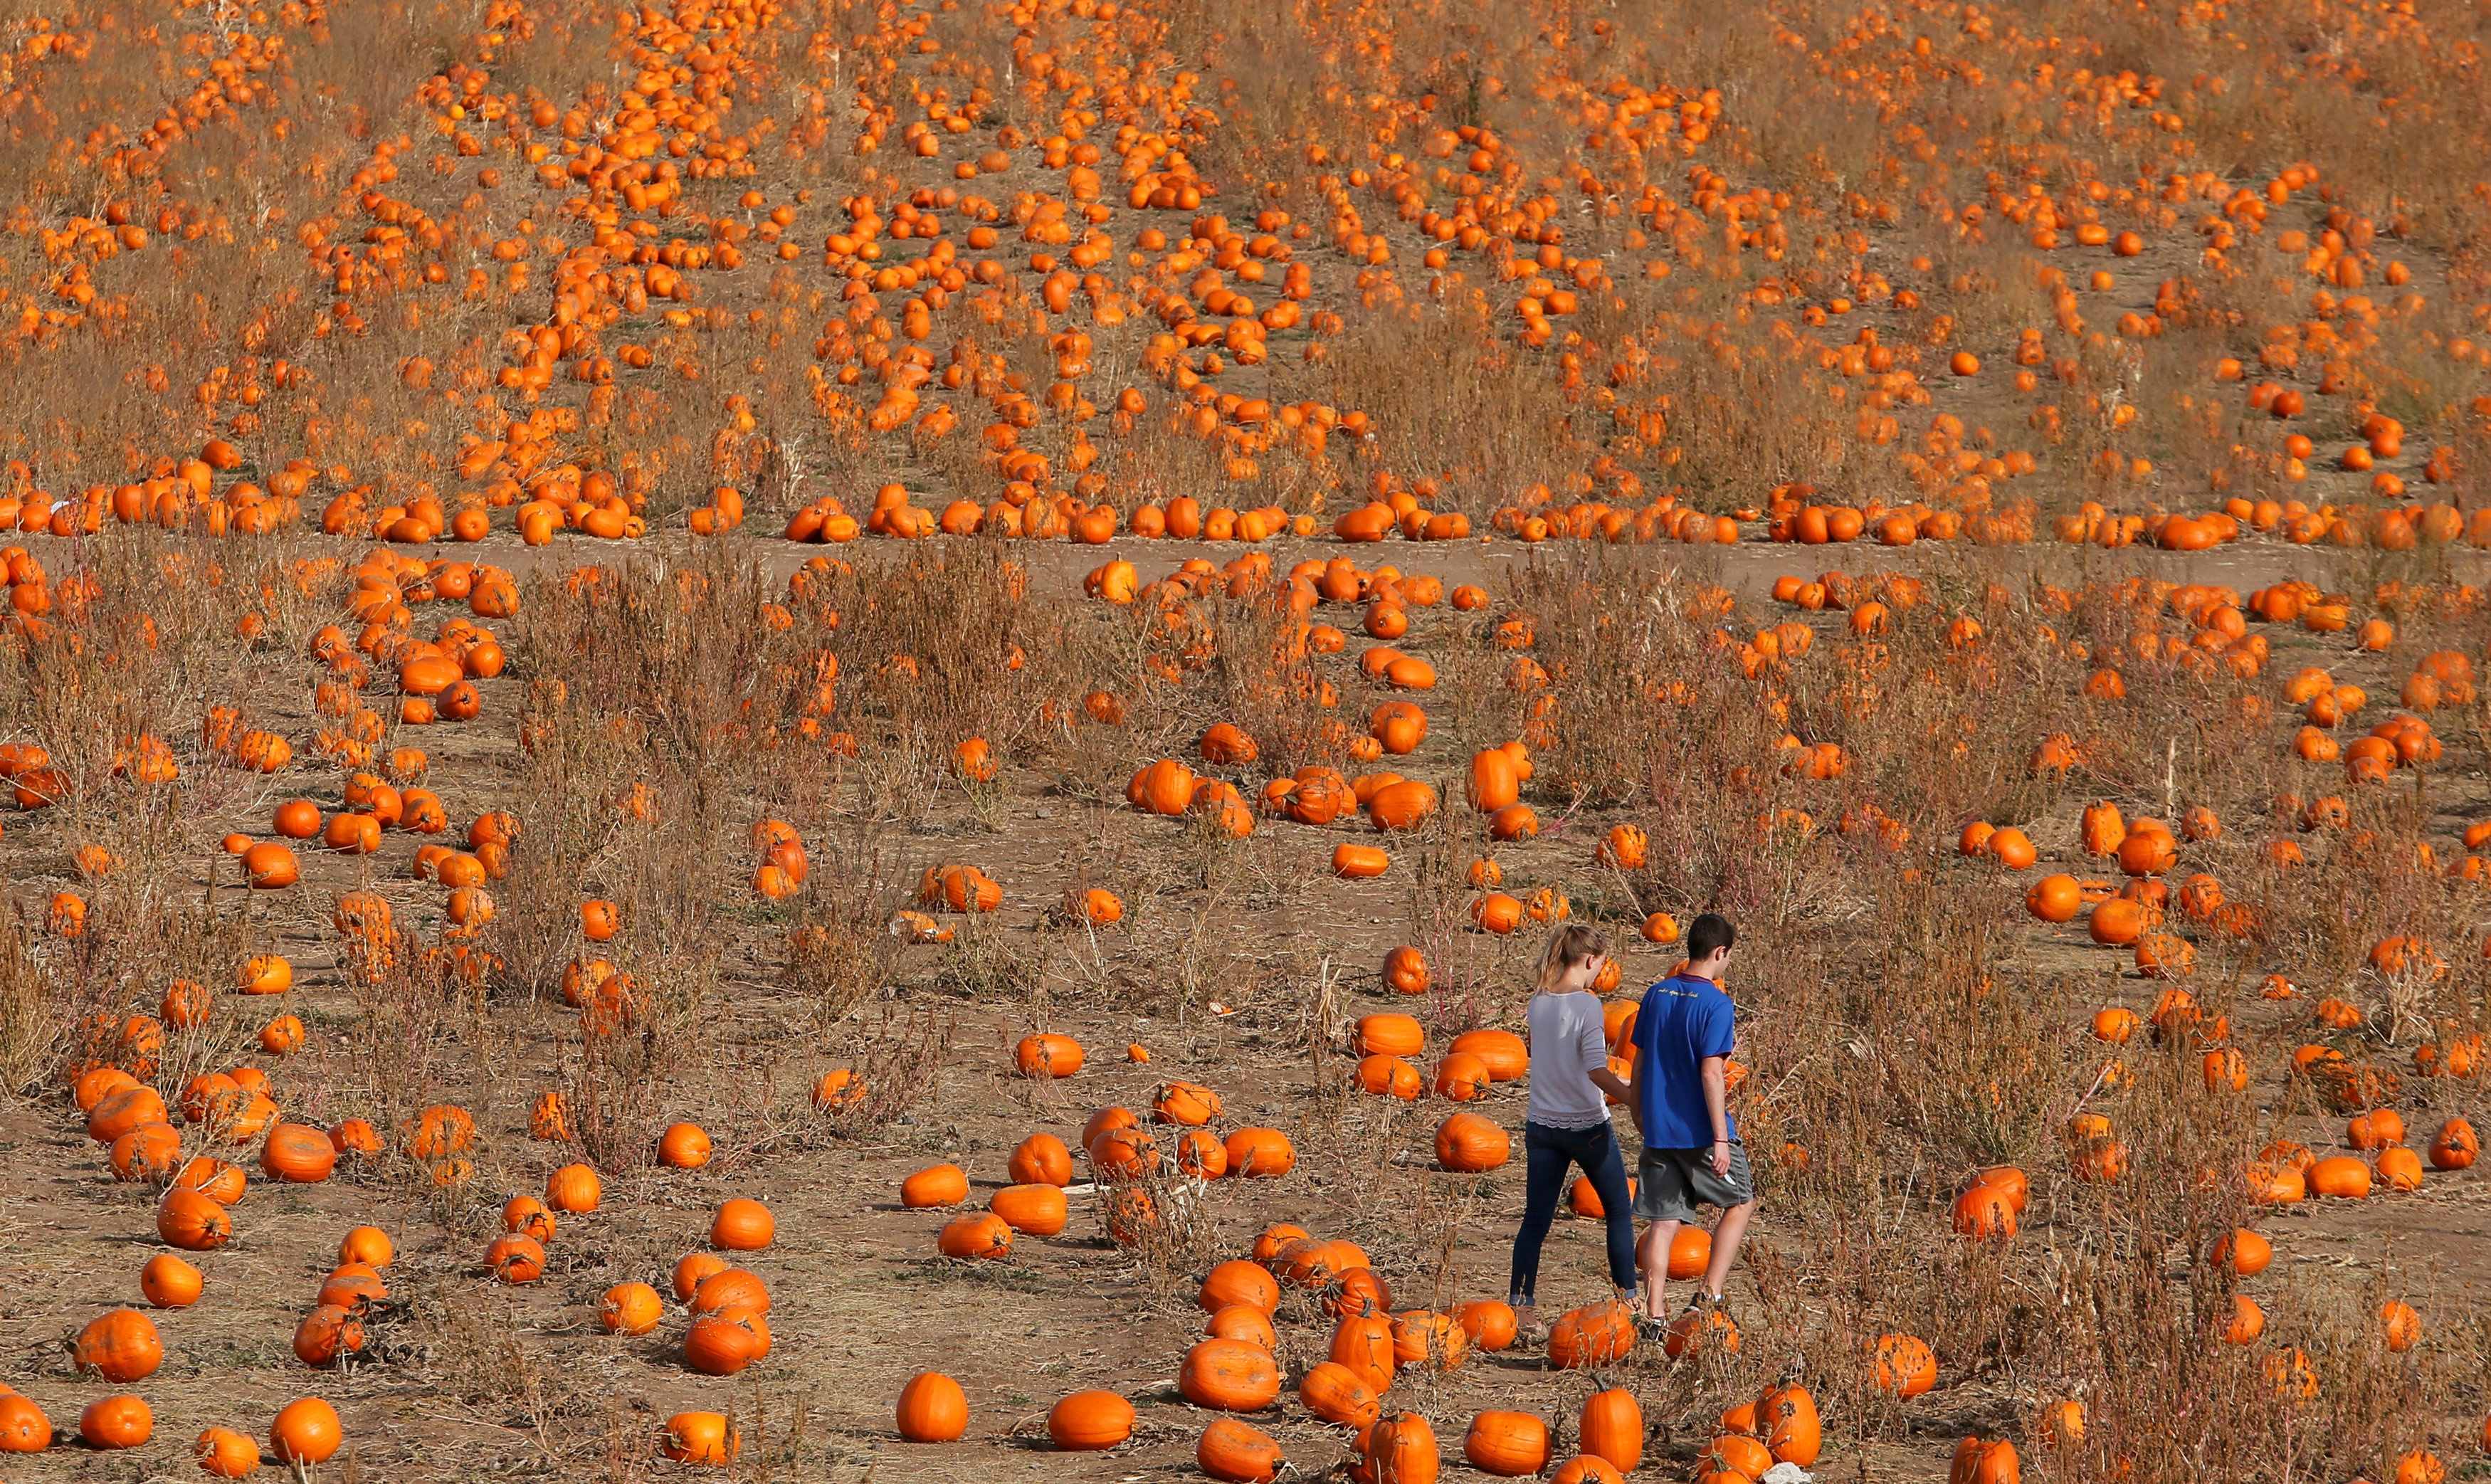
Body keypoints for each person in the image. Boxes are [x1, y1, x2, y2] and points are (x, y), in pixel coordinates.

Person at [1507, 924, 1640, 1340]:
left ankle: (1522, 1307)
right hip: (1586, 1125)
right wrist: (1634, 1097)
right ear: (1589, 961)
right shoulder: (1587, 1005)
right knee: (1619, 1211)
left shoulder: (1538, 1002)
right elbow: (1597, 1069)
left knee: (1536, 1219)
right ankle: (1629, 1301)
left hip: (1541, 1125)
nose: (1601, 973)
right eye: (1601, 965)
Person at [1626, 912, 1756, 1332]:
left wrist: (1637, 1111)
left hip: (1658, 1129)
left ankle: (1654, 1314)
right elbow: (1712, 1073)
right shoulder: (1718, 1003)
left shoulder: (1657, 994)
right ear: (1720, 952)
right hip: (1700, 1132)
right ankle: (1708, 1295)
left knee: (1663, 1223)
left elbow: (1640, 1061)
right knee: (1740, 1203)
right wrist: (1721, 1137)